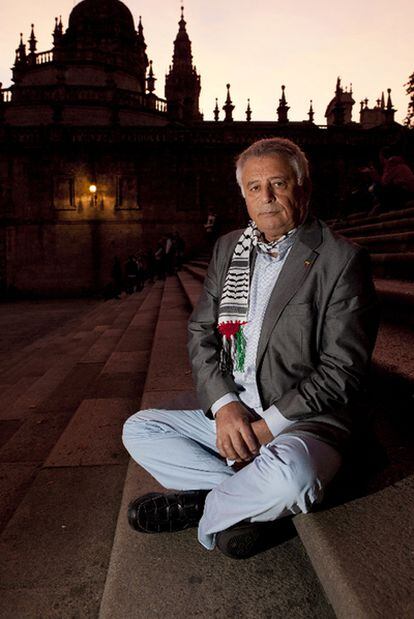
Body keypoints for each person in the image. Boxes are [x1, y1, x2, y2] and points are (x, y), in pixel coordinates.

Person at [123, 137, 379, 559]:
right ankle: (244, 500)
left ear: (303, 188)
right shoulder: (229, 248)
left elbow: (342, 369)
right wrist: (224, 406)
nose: (267, 197)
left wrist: (267, 427)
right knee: (140, 428)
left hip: (303, 418)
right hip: (237, 411)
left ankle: (205, 508)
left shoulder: (341, 259)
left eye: (278, 183)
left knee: (292, 477)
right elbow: (201, 331)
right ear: (243, 195)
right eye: (254, 187)